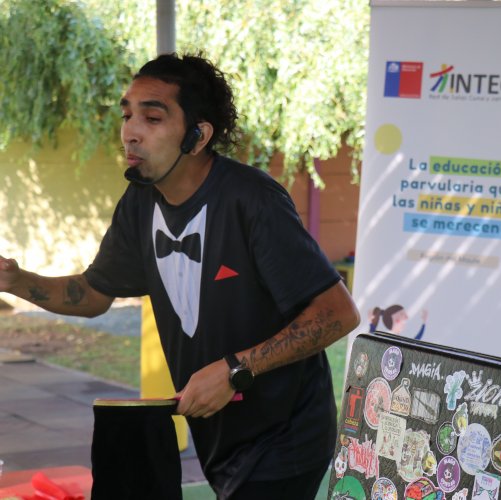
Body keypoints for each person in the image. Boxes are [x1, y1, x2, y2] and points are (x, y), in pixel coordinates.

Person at [0, 53, 360, 499]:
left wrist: (235, 370)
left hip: (285, 436)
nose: (130, 132)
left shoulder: (252, 201)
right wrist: (16, 281)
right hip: (217, 437)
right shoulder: (139, 202)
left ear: (197, 136)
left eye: (152, 118)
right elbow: (93, 293)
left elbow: (338, 313)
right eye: (127, 115)